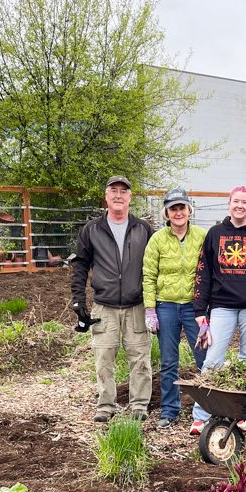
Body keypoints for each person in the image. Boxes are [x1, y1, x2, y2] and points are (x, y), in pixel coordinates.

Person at [190, 186, 246, 436]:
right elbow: (203, 272)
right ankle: (201, 415)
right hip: (222, 306)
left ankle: (241, 413)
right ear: (229, 204)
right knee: (213, 359)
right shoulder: (215, 234)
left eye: (244, 202)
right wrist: (200, 308)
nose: (239, 206)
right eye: (235, 201)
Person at [71, 176, 153, 423]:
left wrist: (154, 304)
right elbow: (80, 265)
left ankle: (139, 405)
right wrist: (78, 300)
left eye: (123, 191)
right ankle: (106, 406)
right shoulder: (93, 229)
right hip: (104, 306)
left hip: (136, 304)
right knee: (104, 357)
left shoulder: (143, 229)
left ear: (130, 198)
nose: (118, 195)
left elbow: (154, 265)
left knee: (140, 357)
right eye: (113, 191)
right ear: (106, 196)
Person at [143, 188, 208, 429]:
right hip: (167, 306)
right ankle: (170, 410)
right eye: (173, 209)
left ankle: (208, 408)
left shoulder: (202, 236)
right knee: (169, 361)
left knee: (204, 357)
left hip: (194, 307)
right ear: (167, 213)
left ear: (189, 210)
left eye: (182, 207)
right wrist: (150, 309)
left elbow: (210, 271)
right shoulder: (158, 239)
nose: (178, 212)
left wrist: (207, 306)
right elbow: (149, 275)